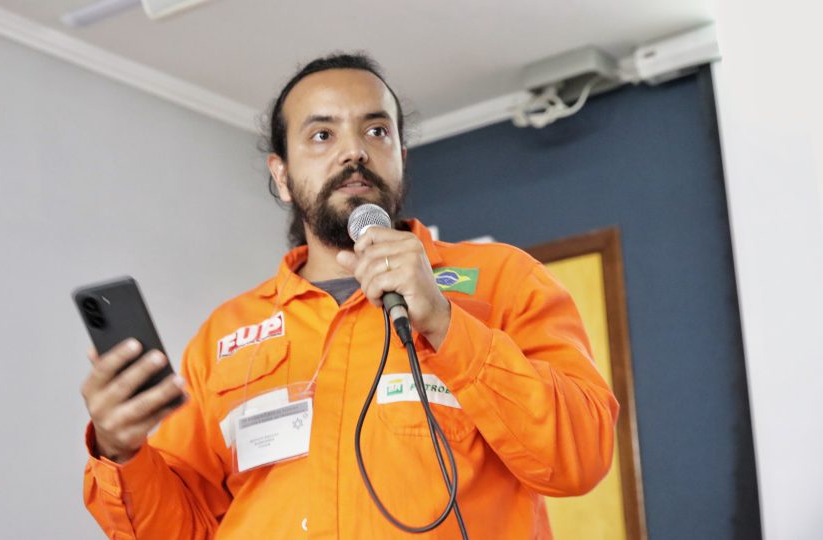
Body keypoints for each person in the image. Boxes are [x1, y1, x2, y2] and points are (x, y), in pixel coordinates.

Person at [80, 52, 619, 539]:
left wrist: (447, 324)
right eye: (322, 135)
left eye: (377, 131)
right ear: (282, 176)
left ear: (401, 157)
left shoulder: (504, 280)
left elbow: (580, 458)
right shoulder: (225, 333)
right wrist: (120, 452)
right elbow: (180, 530)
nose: (354, 152)